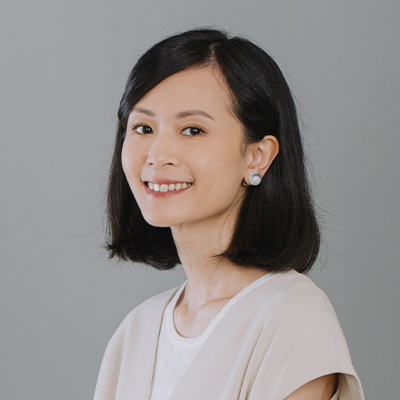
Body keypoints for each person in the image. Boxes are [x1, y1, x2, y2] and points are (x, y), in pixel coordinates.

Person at [93, 28, 365, 400]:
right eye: (143, 128)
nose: (157, 155)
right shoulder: (138, 329)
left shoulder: (292, 319)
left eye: (192, 130)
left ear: (257, 156)